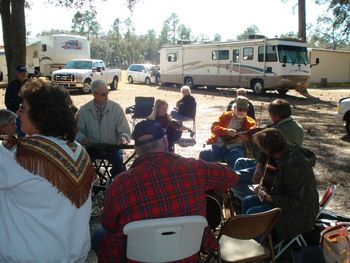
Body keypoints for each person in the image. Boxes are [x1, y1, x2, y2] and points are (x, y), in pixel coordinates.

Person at [93, 119, 239, 262]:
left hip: (138, 258)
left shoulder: (119, 184)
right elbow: (233, 177)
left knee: (99, 232)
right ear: (165, 142)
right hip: (188, 257)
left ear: (136, 151)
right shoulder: (195, 169)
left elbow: (108, 223)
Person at [0, 79, 95, 262]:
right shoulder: (79, 152)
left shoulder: (14, 154)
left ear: (40, 115)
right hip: (73, 256)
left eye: (22, 107)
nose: (18, 113)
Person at [241, 128, 319, 241]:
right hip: (285, 202)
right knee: (247, 201)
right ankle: (254, 238)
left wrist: (267, 197)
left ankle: (258, 245)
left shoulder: (293, 166)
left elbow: (294, 201)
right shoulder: (286, 147)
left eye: (262, 148)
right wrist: (259, 166)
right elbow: (265, 153)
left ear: (269, 149)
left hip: (298, 215)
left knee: (253, 213)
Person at [232, 99, 304, 200]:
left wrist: (249, 142)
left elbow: (263, 154)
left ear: (277, 116)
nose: (270, 118)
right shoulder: (298, 127)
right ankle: (244, 197)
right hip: (275, 163)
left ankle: (257, 198)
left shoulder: (277, 132)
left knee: (233, 180)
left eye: (270, 115)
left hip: (273, 169)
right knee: (240, 162)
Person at [76, 79, 131, 177]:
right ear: (94, 94)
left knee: (119, 165)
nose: (106, 97)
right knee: (81, 166)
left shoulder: (116, 109)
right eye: (103, 94)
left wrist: (123, 138)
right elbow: (77, 132)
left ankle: (117, 185)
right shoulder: (84, 111)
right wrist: (82, 138)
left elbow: (125, 130)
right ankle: (88, 185)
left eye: (107, 93)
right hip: (91, 147)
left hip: (112, 147)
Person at [199, 96, 256, 168]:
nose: (242, 112)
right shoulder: (225, 116)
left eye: (245, 110)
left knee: (237, 159)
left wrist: (246, 137)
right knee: (204, 153)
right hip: (218, 145)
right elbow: (213, 128)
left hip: (235, 147)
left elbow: (253, 138)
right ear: (234, 108)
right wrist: (227, 131)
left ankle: (233, 178)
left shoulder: (250, 122)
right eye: (239, 109)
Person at [4, 65, 28, 137]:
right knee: (20, 135)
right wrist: (16, 113)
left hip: (31, 114)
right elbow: (8, 102)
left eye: (25, 72)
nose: (24, 74)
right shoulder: (12, 85)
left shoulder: (31, 84)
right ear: (17, 74)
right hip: (17, 114)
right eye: (21, 72)